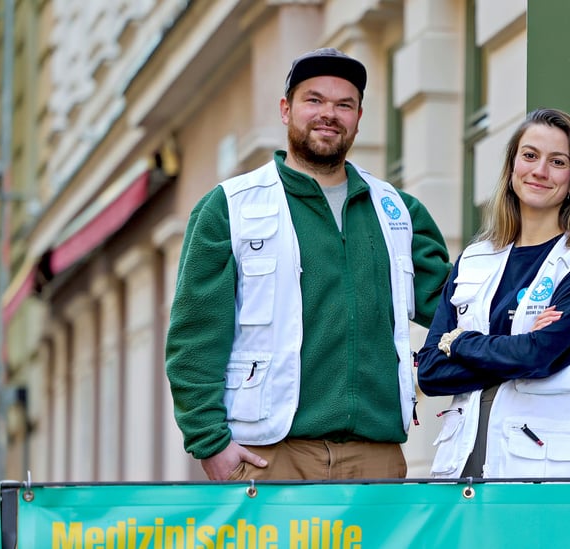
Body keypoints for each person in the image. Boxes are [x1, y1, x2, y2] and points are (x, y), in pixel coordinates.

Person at [165, 48, 452, 481]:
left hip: (375, 456)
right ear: (286, 110)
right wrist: (210, 441)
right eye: (314, 100)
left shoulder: (398, 211)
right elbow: (195, 337)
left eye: (344, 105)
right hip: (271, 453)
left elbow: (455, 305)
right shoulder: (231, 207)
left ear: (358, 117)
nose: (328, 114)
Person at [416, 108, 570, 479]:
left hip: (543, 470)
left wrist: (463, 341)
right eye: (530, 156)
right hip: (462, 466)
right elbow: (432, 373)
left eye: (557, 162)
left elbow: (539, 355)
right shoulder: (475, 259)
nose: (540, 171)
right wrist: (513, 353)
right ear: (512, 167)